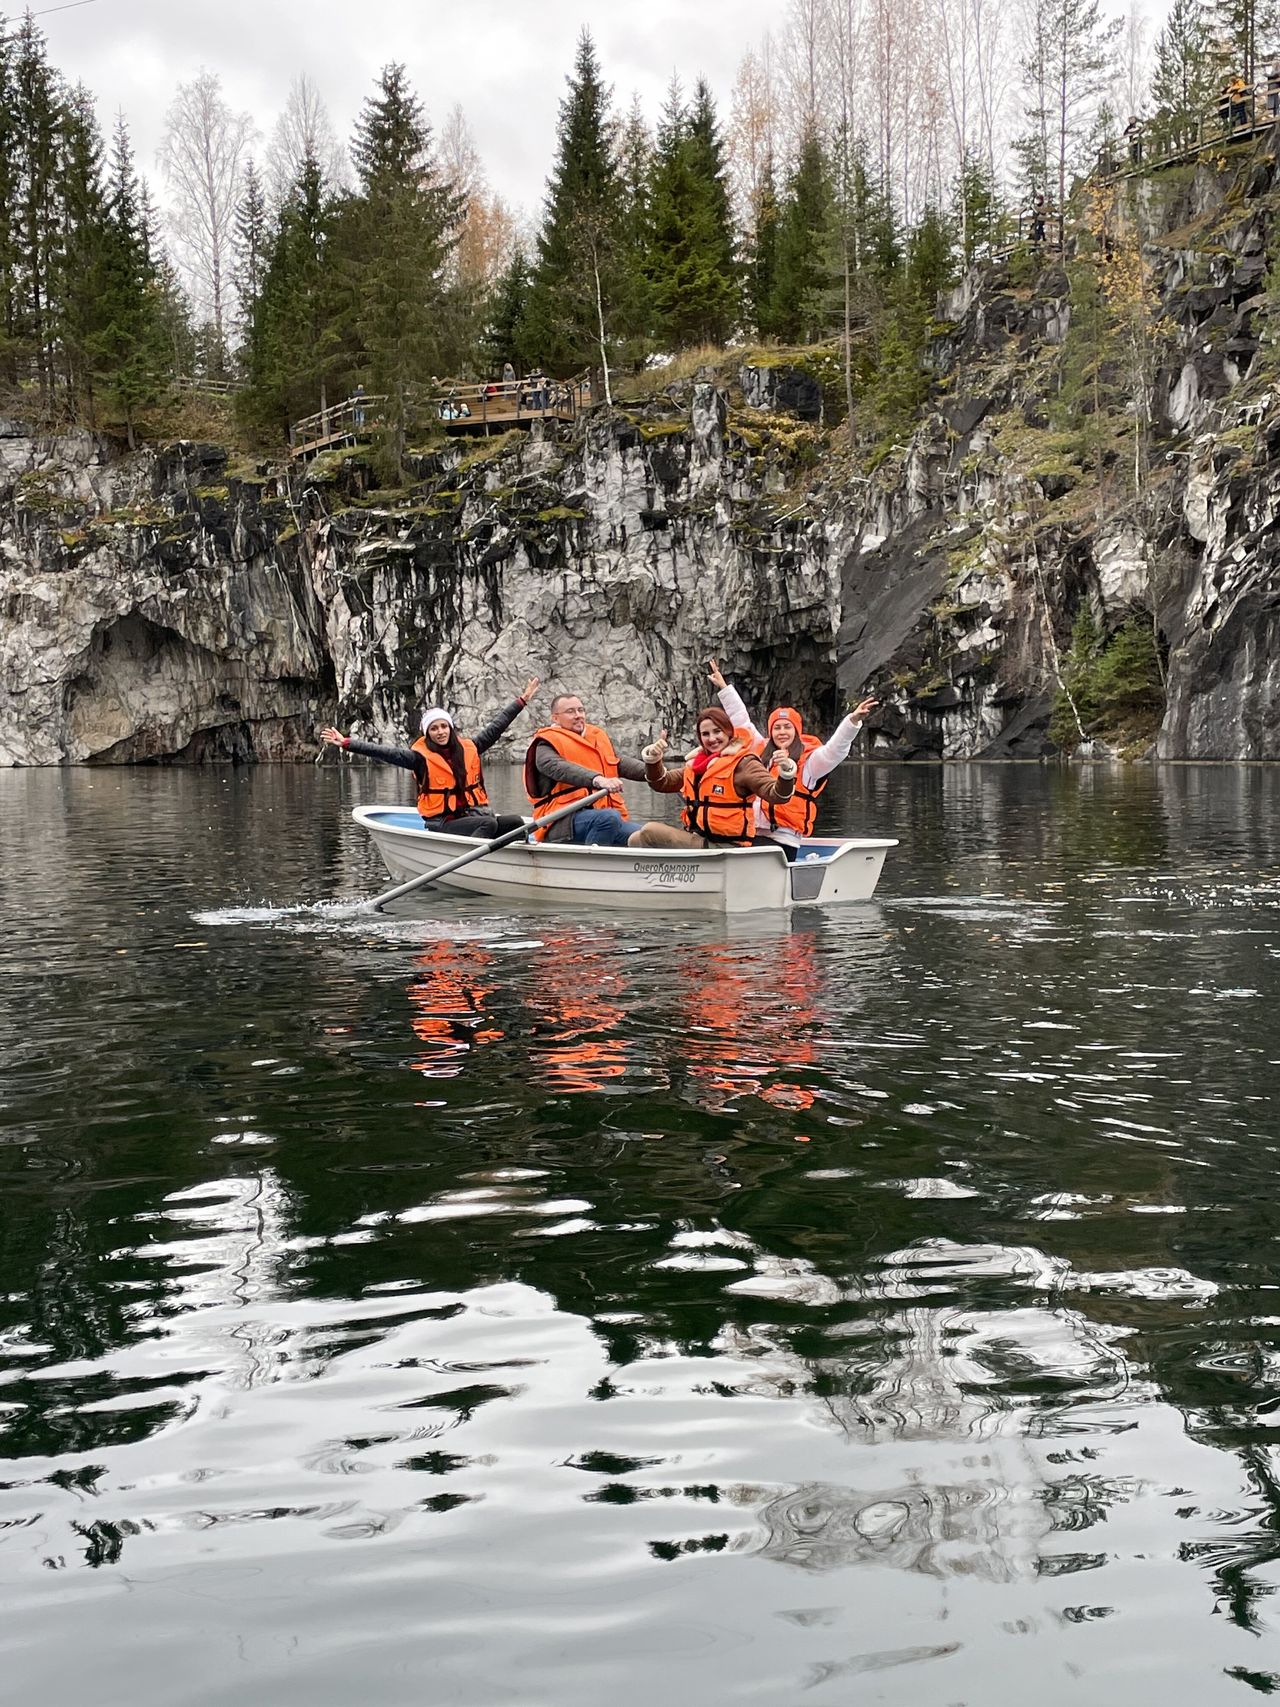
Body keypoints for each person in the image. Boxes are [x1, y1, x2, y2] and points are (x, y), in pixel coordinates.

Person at [320, 677, 540, 838]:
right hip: (443, 822)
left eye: (444, 726)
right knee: (489, 825)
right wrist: (348, 743)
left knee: (515, 823)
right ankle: (474, 865)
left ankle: (513, 861)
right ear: (428, 733)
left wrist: (522, 700)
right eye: (434, 728)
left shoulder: (470, 747)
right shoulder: (419, 758)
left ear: (451, 729)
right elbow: (383, 752)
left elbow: (497, 726)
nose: (441, 732)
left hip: (470, 815)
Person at [707, 659, 877, 860]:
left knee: (730, 848)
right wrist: (725, 688)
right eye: (777, 727)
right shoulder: (761, 751)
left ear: (796, 731)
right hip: (752, 834)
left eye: (787, 727)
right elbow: (741, 720)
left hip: (782, 841)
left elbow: (835, 750)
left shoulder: (810, 763)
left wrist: (852, 721)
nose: (782, 732)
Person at [629, 706, 797, 849]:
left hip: (726, 846)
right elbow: (662, 783)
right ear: (700, 738)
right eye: (705, 734)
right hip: (700, 839)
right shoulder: (697, 765)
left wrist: (786, 773)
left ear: (729, 732)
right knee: (635, 839)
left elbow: (777, 795)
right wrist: (653, 760)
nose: (712, 738)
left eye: (717, 731)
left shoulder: (744, 764)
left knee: (650, 831)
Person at [523, 693, 649, 846]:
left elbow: (617, 763)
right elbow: (555, 766)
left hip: (597, 816)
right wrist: (597, 779)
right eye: (570, 712)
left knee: (647, 834)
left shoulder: (595, 738)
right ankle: (590, 865)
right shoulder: (545, 744)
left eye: (581, 710)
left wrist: (658, 771)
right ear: (555, 718)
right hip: (557, 821)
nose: (578, 715)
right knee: (608, 818)